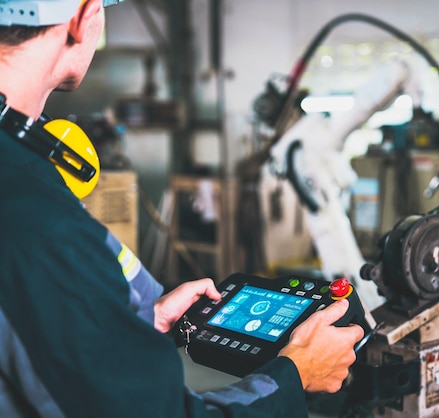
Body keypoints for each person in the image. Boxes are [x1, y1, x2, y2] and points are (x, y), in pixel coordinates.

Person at [0, 1, 364, 417]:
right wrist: (295, 377)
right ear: (82, 18)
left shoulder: (23, 180)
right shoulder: (39, 222)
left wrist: (125, 322)